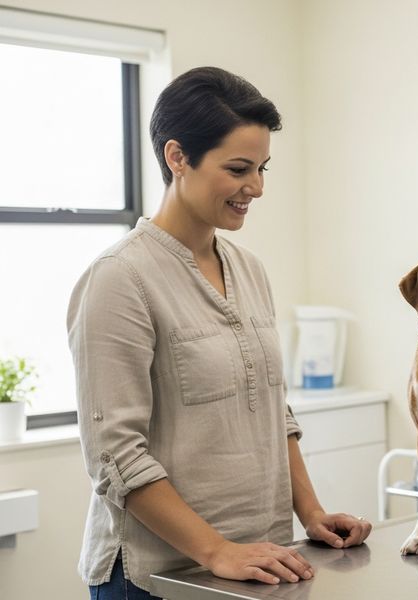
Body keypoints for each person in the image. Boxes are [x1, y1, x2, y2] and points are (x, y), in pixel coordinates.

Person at [68, 66, 371, 599]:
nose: (255, 187)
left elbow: (274, 410)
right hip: (157, 577)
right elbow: (115, 455)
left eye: (262, 168)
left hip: (258, 565)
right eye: (238, 169)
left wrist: (312, 512)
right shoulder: (119, 279)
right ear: (177, 157)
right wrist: (214, 550)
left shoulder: (249, 269)